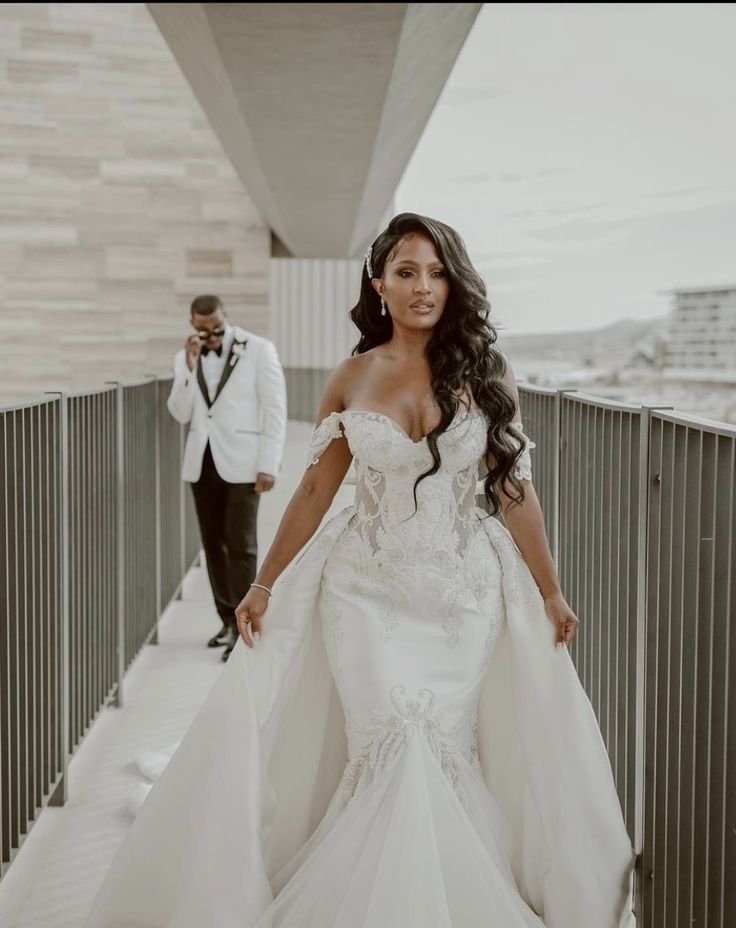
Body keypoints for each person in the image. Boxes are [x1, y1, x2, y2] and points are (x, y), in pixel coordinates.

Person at [84, 214, 636, 928]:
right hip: (363, 591)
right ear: (378, 283)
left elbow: (513, 489)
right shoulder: (352, 375)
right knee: (386, 741)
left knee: (442, 743)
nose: (423, 287)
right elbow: (315, 488)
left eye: (438, 272)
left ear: (455, 282)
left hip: (460, 599)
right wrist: (264, 582)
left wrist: (551, 589)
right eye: (406, 271)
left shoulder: (488, 374)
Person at [167, 294, 287, 661]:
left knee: (241, 544)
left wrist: (269, 463)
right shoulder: (185, 357)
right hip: (202, 464)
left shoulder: (258, 349)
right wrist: (188, 368)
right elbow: (180, 412)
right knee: (213, 544)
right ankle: (225, 619)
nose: (211, 336)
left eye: (216, 327)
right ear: (194, 327)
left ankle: (243, 625)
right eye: (203, 330)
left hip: (245, 463)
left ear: (225, 318)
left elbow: (275, 408)